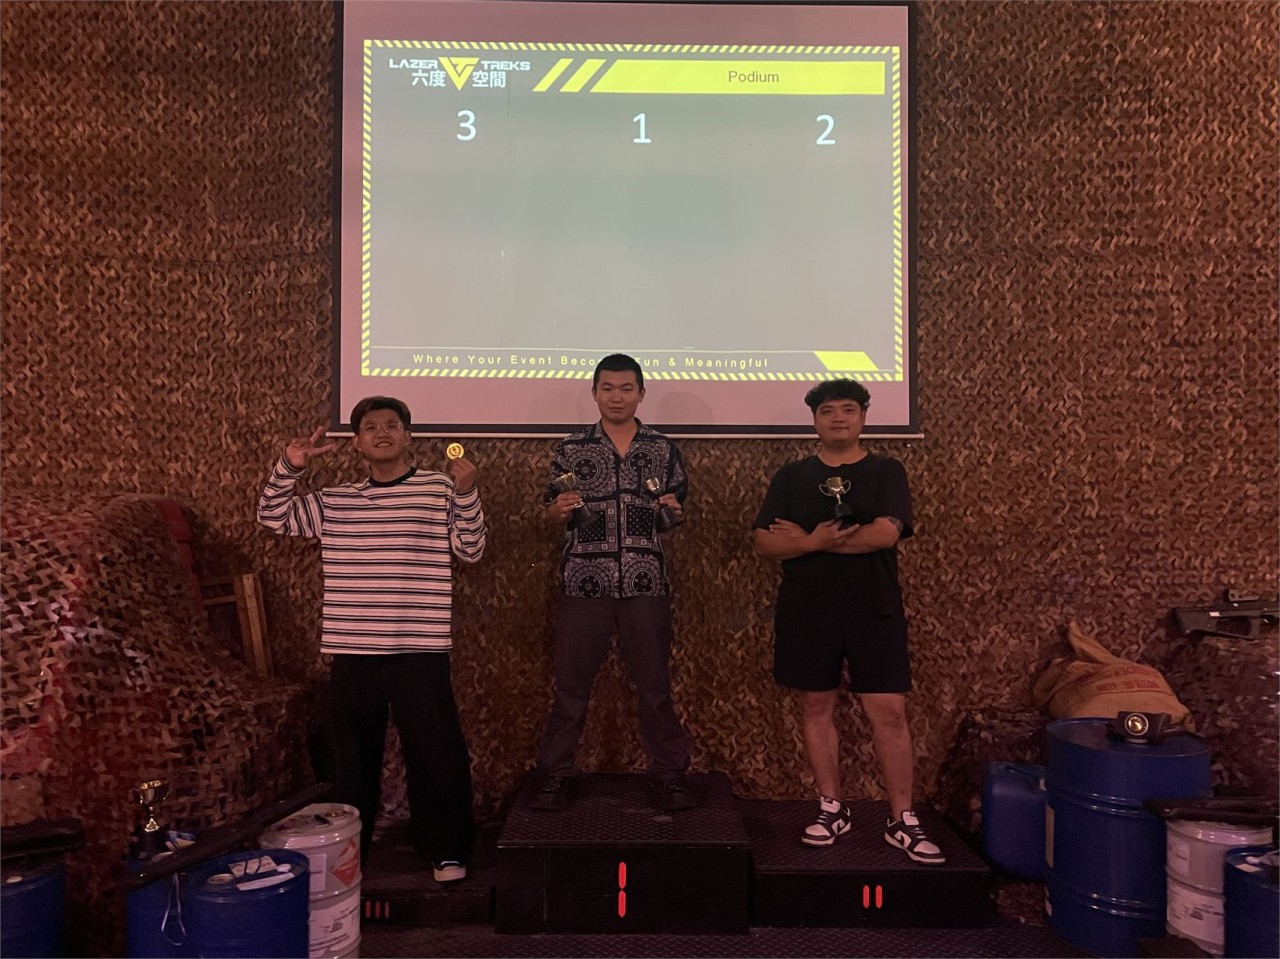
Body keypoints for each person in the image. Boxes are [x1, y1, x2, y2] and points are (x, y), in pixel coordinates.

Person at [257, 396, 486, 883]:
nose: (382, 432)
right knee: (350, 760)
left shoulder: (438, 488)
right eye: (370, 427)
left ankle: (446, 849)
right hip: (353, 648)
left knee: (435, 752)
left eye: (392, 425)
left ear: (408, 436)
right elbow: (273, 517)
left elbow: (471, 549)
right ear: (357, 443)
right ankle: (346, 851)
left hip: (419, 647)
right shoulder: (334, 500)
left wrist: (467, 493)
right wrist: (290, 465)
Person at [751, 379, 944, 864]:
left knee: (890, 712)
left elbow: (884, 534)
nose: (838, 418)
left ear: (863, 417)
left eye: (848, 409)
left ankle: (902, 818)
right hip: (807, 609)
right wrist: (810, 543)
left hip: (873, 607)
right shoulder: (792, 476)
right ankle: (830, 807)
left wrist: (809, 542)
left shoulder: (886, 471)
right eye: (828, 411)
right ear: (814, 420)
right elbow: (764, 542)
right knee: (816, 706)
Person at [532, 353, 695, 813]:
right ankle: (557, 774)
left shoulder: (661, 449)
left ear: (641, 393)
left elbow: (673, 512)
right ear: (594, 393)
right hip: (585, 581)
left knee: (655, 687)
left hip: (645, 583)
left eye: (626, 388)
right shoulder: (571, 449)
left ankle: (668, 774)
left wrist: (673, 512)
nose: (616, 396)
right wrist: (555, 512)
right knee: (571, 688)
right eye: (607, 388)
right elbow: (551, 511)